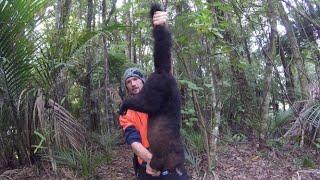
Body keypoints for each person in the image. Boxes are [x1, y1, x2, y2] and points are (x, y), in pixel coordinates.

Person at [119, 11, 188, 180]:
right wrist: (152, 162)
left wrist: (161, 28)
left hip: (171, 160)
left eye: (136, 79)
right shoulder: (127, 112)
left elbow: (163, 58)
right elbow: (133, 140)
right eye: (129, 82)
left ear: (143, 81)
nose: (133, 84)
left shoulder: (159, 87)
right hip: (147, 164)